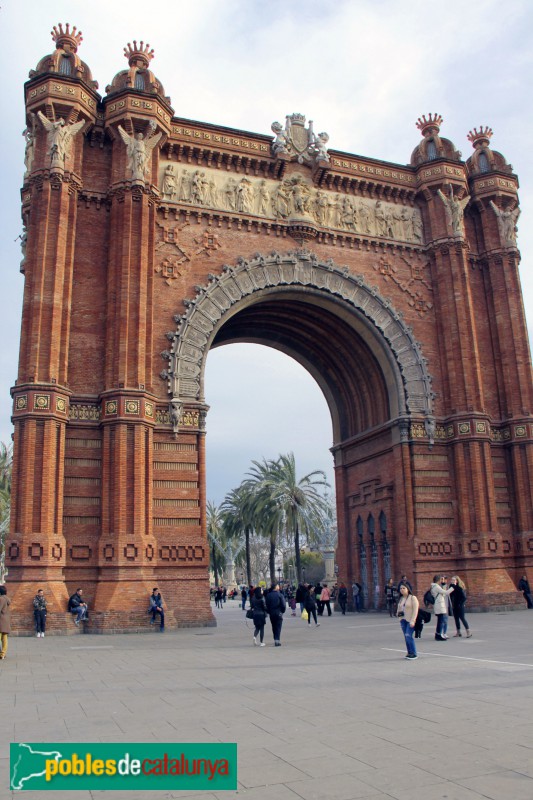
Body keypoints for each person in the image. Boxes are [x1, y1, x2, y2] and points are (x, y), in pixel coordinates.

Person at [396, 582, 419, 659]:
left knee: (408, 635)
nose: (402, 590)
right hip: (403, 620)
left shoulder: (413, 598)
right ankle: (409, 652)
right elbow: (399, 608)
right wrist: (398, 615)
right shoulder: (401, 598)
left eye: (404, 588)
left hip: (410, 620)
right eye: (401, 588)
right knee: (406, 636)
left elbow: (415, 610)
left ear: (408, 589)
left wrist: (413, 620)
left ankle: (414, 653)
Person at [431, 575, 454, 640]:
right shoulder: (436, 587)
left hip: (439, 605)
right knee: (441, 621)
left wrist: (444, 586)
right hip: (439, 606)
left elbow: (443, 594)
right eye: (441, 580)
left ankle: (438, 634)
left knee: (440, 621)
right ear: (438, 580)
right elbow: (446, 593)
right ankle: (439, 635)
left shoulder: (435, 586)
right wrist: (453, 587)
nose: (441, 581)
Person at [0, 586, 11, 660]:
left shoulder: (1, 599)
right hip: (6, 621)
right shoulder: (7, 599)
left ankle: (1, 654)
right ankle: (3, 654)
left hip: (1, 620)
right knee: (4, 638)